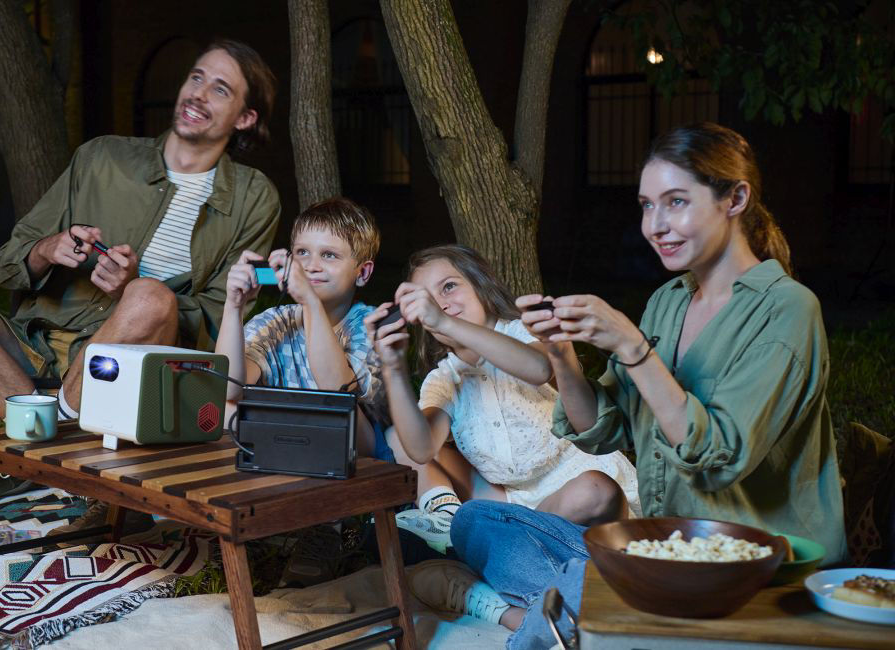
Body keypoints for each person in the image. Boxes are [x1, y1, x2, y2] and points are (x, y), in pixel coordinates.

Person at [449, 122, 847, 648]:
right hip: (668, 552)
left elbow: (719, 455)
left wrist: (633, 348)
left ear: (736, 198)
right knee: (477, 521)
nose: (655, 225)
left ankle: (566, 607)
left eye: (676, 202)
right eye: (646, 205)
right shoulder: (669, 301)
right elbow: (603, 427)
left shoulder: (787, 309)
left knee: (571, 580)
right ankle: (585, 596)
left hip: (754, 565)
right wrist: (562, 358)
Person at [0, 39, 280, 424]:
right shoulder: (102, 157)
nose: (198, 94)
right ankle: (36, 426)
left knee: (150, 297)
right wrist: (47, 249)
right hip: (33, 342)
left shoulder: (252, 198)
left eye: (220, 89)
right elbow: (8, 264)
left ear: (245, 118)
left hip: (130, 358)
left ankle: (42, 430)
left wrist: (128, 289)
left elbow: (219, 321)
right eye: (196, 77)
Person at [363, 245, 638, 624]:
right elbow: (420, 448)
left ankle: (484, 580)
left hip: (578, 496)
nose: (440, 304)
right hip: (512, 505)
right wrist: (392, 368)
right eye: (427, 299)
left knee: (595, 489)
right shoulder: (445, 378)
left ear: (479, 285)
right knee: (429, 470)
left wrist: (444, 322)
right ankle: (470, 539)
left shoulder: (521, 331)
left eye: (448, 287)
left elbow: (538, 367)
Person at [217, 197, 392, 461]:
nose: (311, 266)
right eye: (302, 253)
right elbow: (229, 389)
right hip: (289, 431)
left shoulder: (369, 324)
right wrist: (233, 307)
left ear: (362, 273)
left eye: (329, 255)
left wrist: (309, 300)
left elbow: (337, 392)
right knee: (225, 407)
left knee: (343, 413)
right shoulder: (276, 319)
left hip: (351, 444)